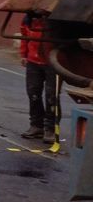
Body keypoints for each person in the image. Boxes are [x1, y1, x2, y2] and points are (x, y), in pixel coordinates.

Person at [19, 11, 61, 144]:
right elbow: (24, 36)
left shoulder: (58, 18)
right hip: (33, 62)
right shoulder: (28, 19)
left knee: (51, 96)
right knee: (33, 94)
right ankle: (37, 126)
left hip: (53, 63)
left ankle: (50, 128)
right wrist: (24, 55)